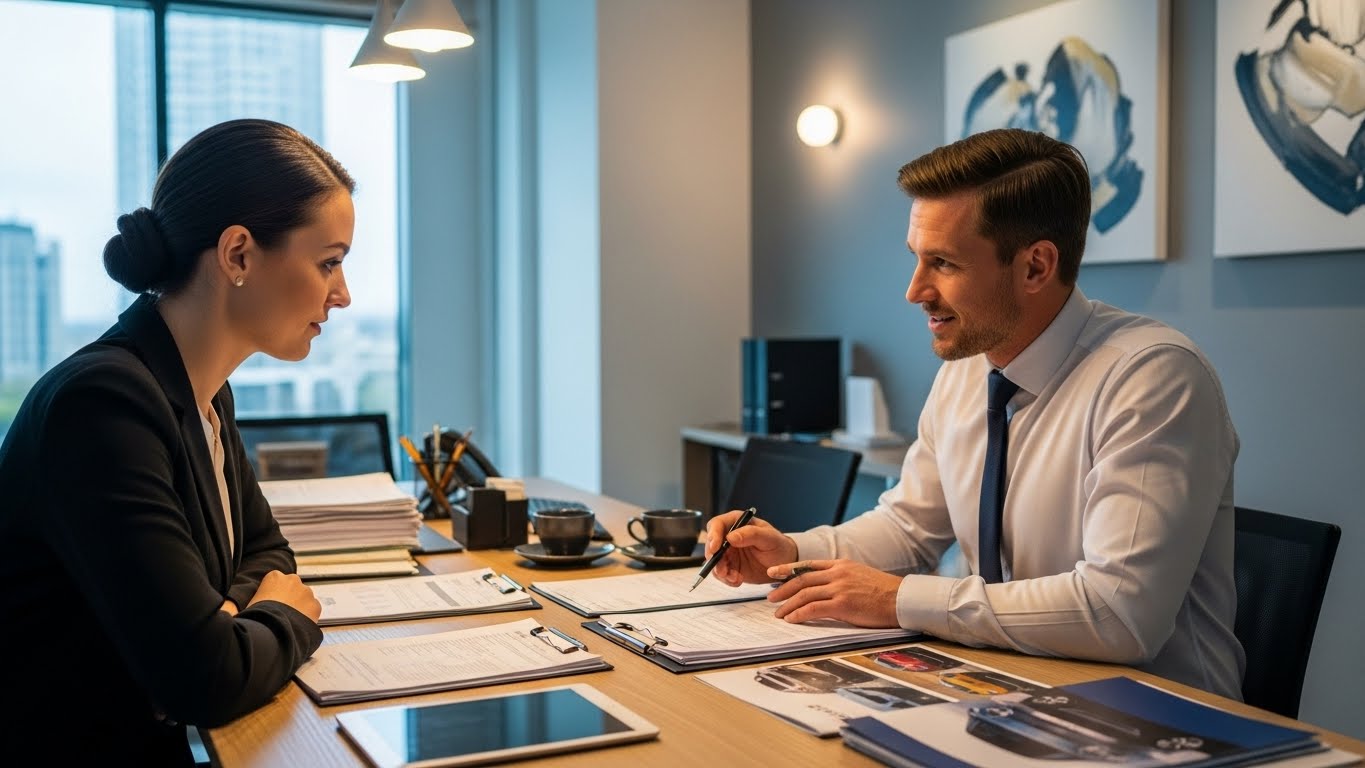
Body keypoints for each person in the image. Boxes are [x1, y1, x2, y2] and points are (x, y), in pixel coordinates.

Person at [705, 128, 1245, 699]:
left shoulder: (1153, 377)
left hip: (1161, 721)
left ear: (1036, 266)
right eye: (917, 259)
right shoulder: (965, 373)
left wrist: (898, 599)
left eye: (943, 263)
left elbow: (1118, 614)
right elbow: (909, 528)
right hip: (1008, 691)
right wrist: (793, 554)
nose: (915, 291)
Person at [0, 118, 354, 763]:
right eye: (328, 262)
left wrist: (229, 623)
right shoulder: (103, 404)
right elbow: (205, 679)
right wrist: (284, 616)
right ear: (238, 254)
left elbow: (267, 553)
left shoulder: (204, 390)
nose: (343, 294)